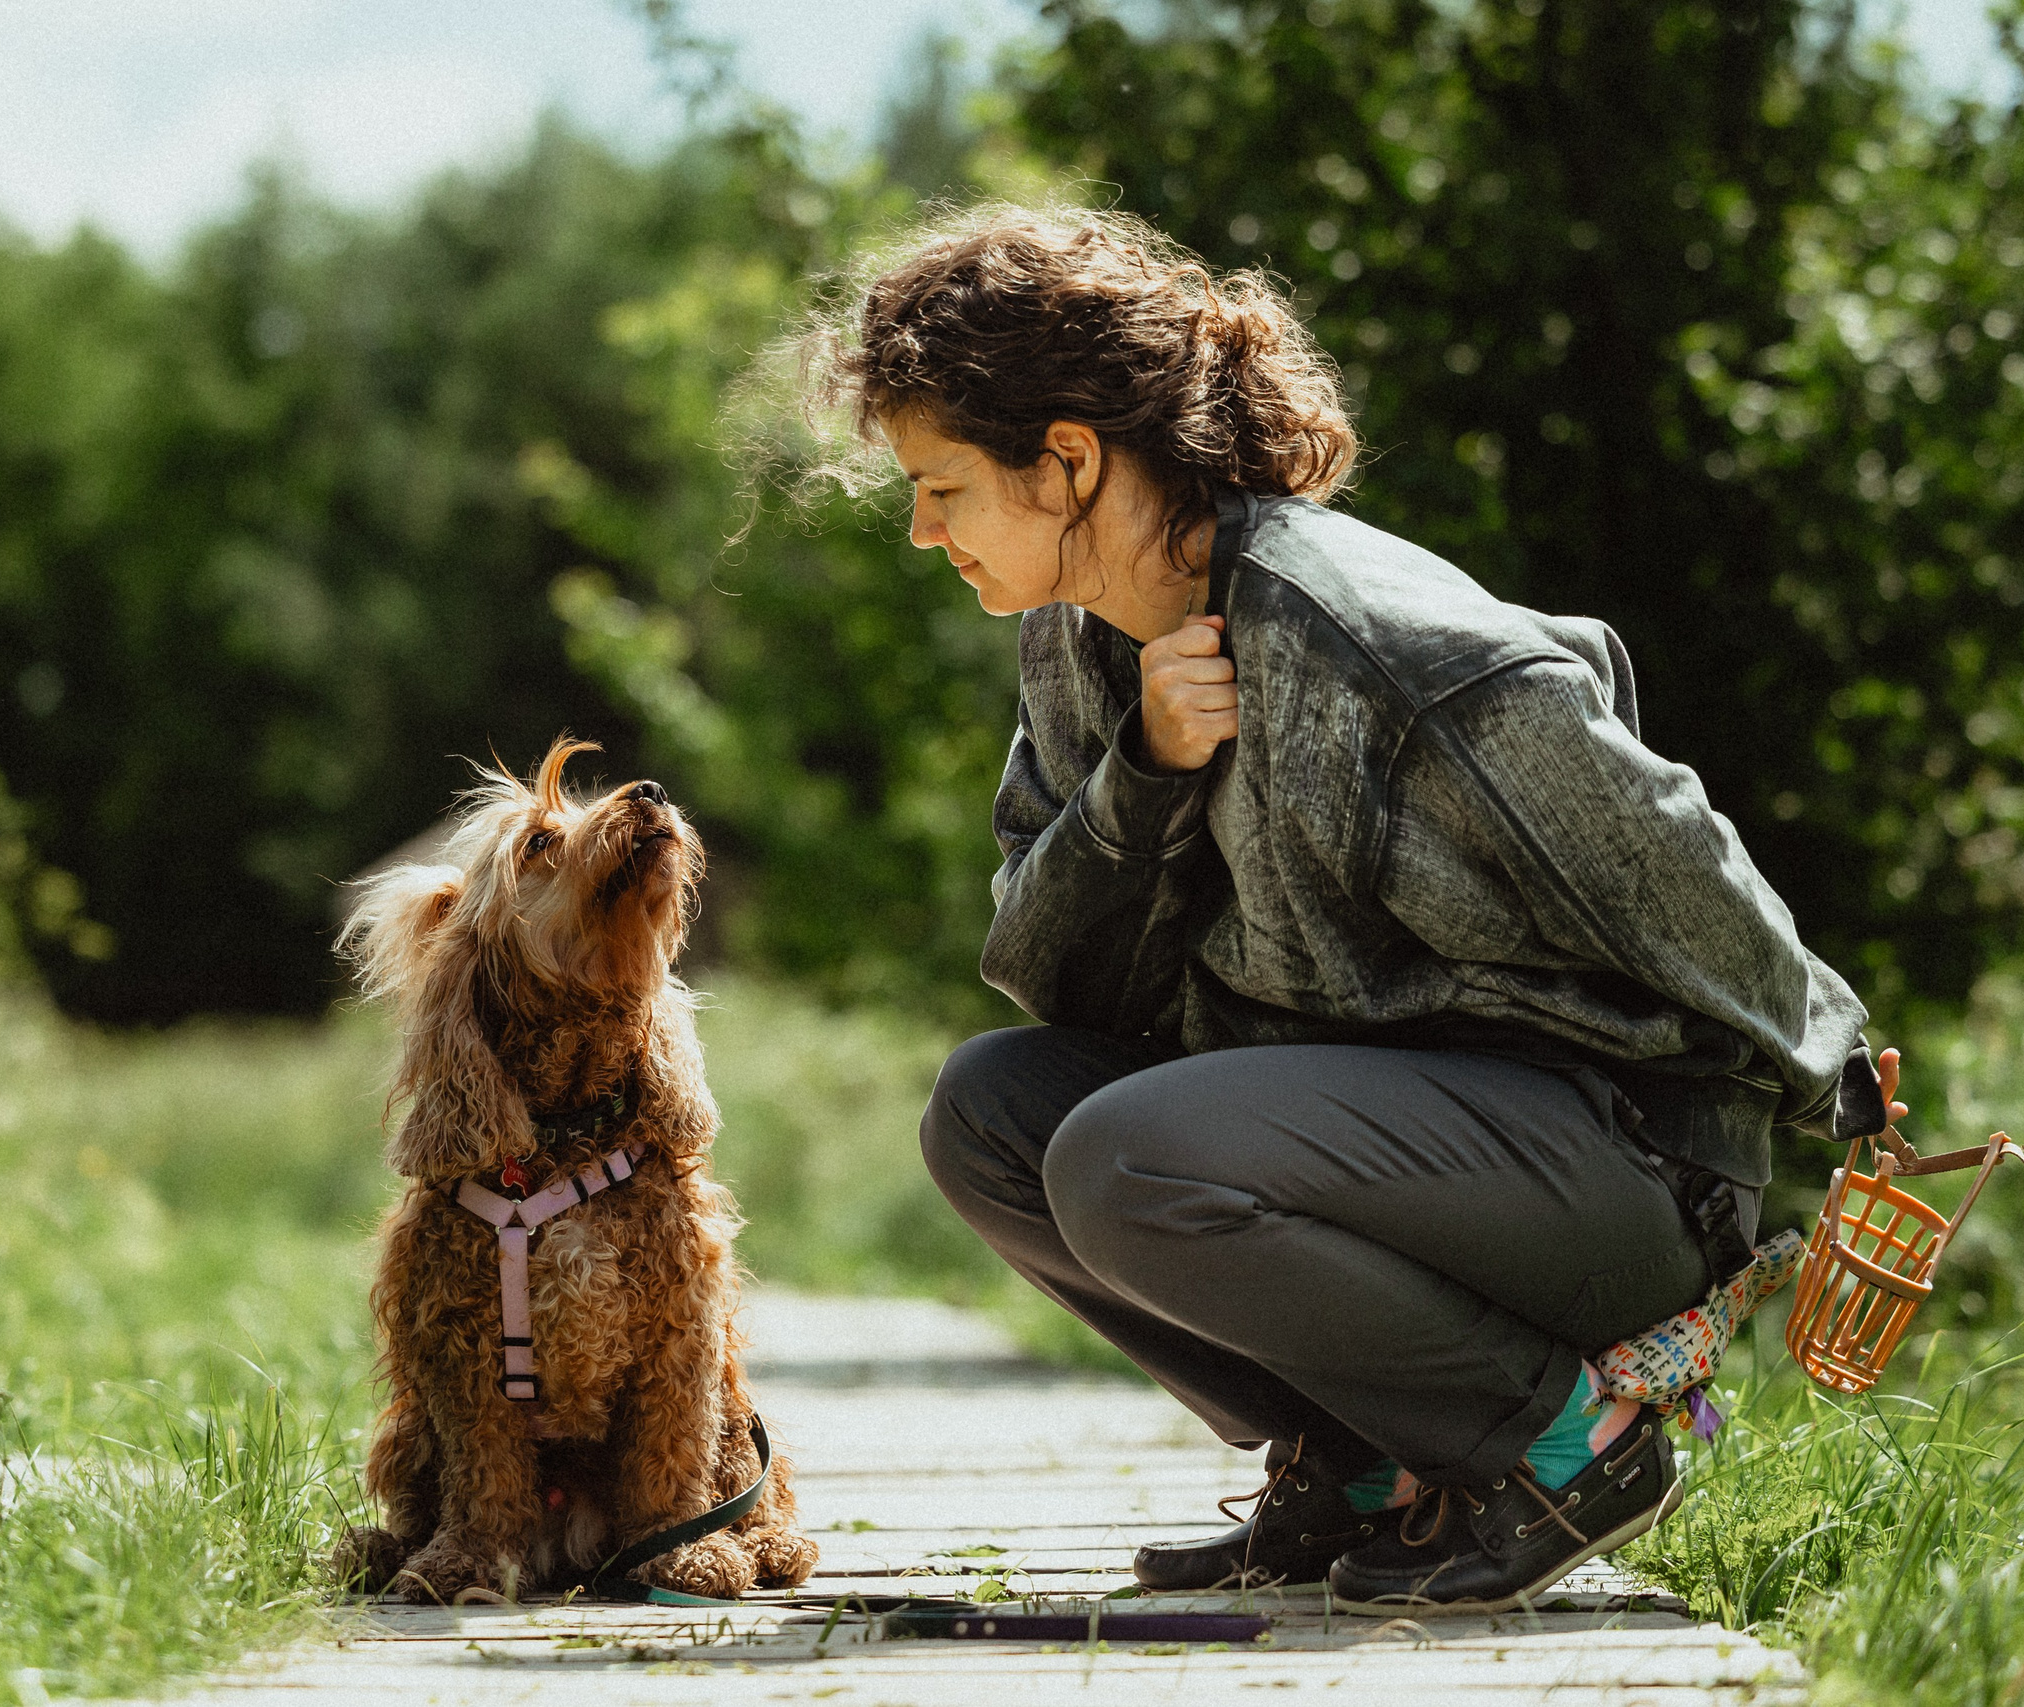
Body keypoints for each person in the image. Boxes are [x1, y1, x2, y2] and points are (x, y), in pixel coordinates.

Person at [794, 206, 1899, 1613]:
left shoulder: (1363, 630)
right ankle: (1366, 1463)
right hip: (1399, 1149)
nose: (919, 530)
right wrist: (1144, 776)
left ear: (1066, 458)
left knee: (1126, 1159)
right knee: (995, 1114)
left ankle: (1571, 1442)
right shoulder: (1077, 642)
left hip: (1618, 1166)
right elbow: (1051, 973)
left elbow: (1653, 845)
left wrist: (1841, 1073)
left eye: (942, 487)